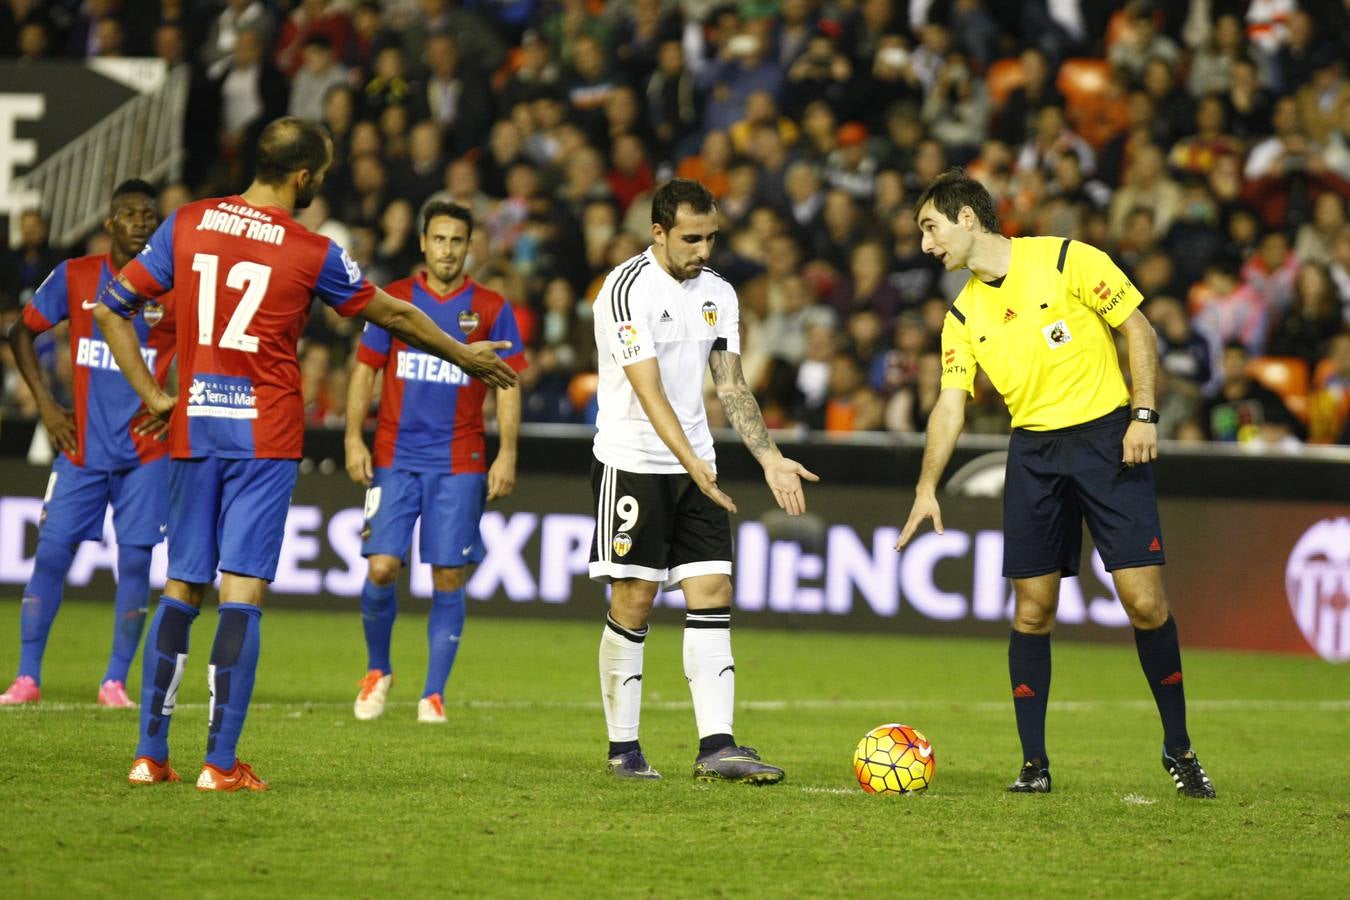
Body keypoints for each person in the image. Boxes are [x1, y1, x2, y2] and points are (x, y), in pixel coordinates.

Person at [93, 117, 518, 792]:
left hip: (194, 428)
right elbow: (396, 315)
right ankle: (220, 764)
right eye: (322, 170)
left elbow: (112, 309)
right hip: (265, 435)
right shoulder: (309, 248)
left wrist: (151, 393)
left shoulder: (187, 223)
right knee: (243, 592)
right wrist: (463, 352)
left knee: (180, 587)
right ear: (302, 177)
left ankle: (150, 755)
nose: (324, 180)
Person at [896, 168, 1216, 799]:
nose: (926, 245)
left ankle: (1178, 747)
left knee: (1145, 604)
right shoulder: (961, 313)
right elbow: (950, 403)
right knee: (1033, 610)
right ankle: (1034, 765)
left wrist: (1143, 413)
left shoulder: (1068, 259)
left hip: (1107, 441)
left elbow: (1138, 328)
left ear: (967, 218)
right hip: (1034, 453)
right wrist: (926, 486)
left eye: (930, 228)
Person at [589, 178, 818, 783]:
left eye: (712, 237)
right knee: (634, 600)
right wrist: (693, 463)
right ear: (658, 233)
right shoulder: (624, 290)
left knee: (712, 593)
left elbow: (732, 384)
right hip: (633, 460)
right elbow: (648, 389)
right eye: (692, 238)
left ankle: (717, 747)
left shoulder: (719, 292)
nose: (705, 250)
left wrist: (768, 457)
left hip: (699, 468)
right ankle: (624, 751)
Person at [344, 201, 526, 724]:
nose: (447, 249)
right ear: (424, 243)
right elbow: (364, 371)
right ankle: (378, 670)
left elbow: (508, 384)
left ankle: (433, 693)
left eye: (457, 241)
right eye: (439, 239)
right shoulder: (395, 300)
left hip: (462, 460)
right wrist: (353, 438)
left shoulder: (491, 307)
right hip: (394, 457)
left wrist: (507, 453)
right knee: (380, 568)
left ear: (470, 247)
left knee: (448, 575)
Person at [0, 180, 174, 709]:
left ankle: (114, 682)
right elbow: (20, 333)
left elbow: (207, 348)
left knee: (137, 565)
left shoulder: (175, 288)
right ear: (110, 222)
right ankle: (27, 678)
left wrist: (177, 405)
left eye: (149, 214)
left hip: (147, 453)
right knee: (51, 555)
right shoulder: (77, 276)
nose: (140, 222)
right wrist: (48, 407)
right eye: (130, 213)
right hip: (82, 448)